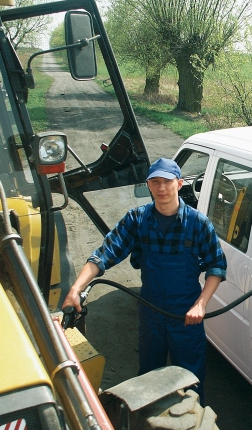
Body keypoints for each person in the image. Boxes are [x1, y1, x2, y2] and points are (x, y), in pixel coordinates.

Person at [62, 158, 227, 405]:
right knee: (150, 374)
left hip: (186, 313)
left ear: (179, 184)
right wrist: (76, 288)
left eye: (167, 182)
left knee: (192, 377)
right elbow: (105, 253)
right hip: (150, 311)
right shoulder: (137, 220)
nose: (162, 188)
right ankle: (148, 422)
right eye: (155, 182)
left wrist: (201, 304)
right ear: (148, 185)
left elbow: (217, 266)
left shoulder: (198, 224)